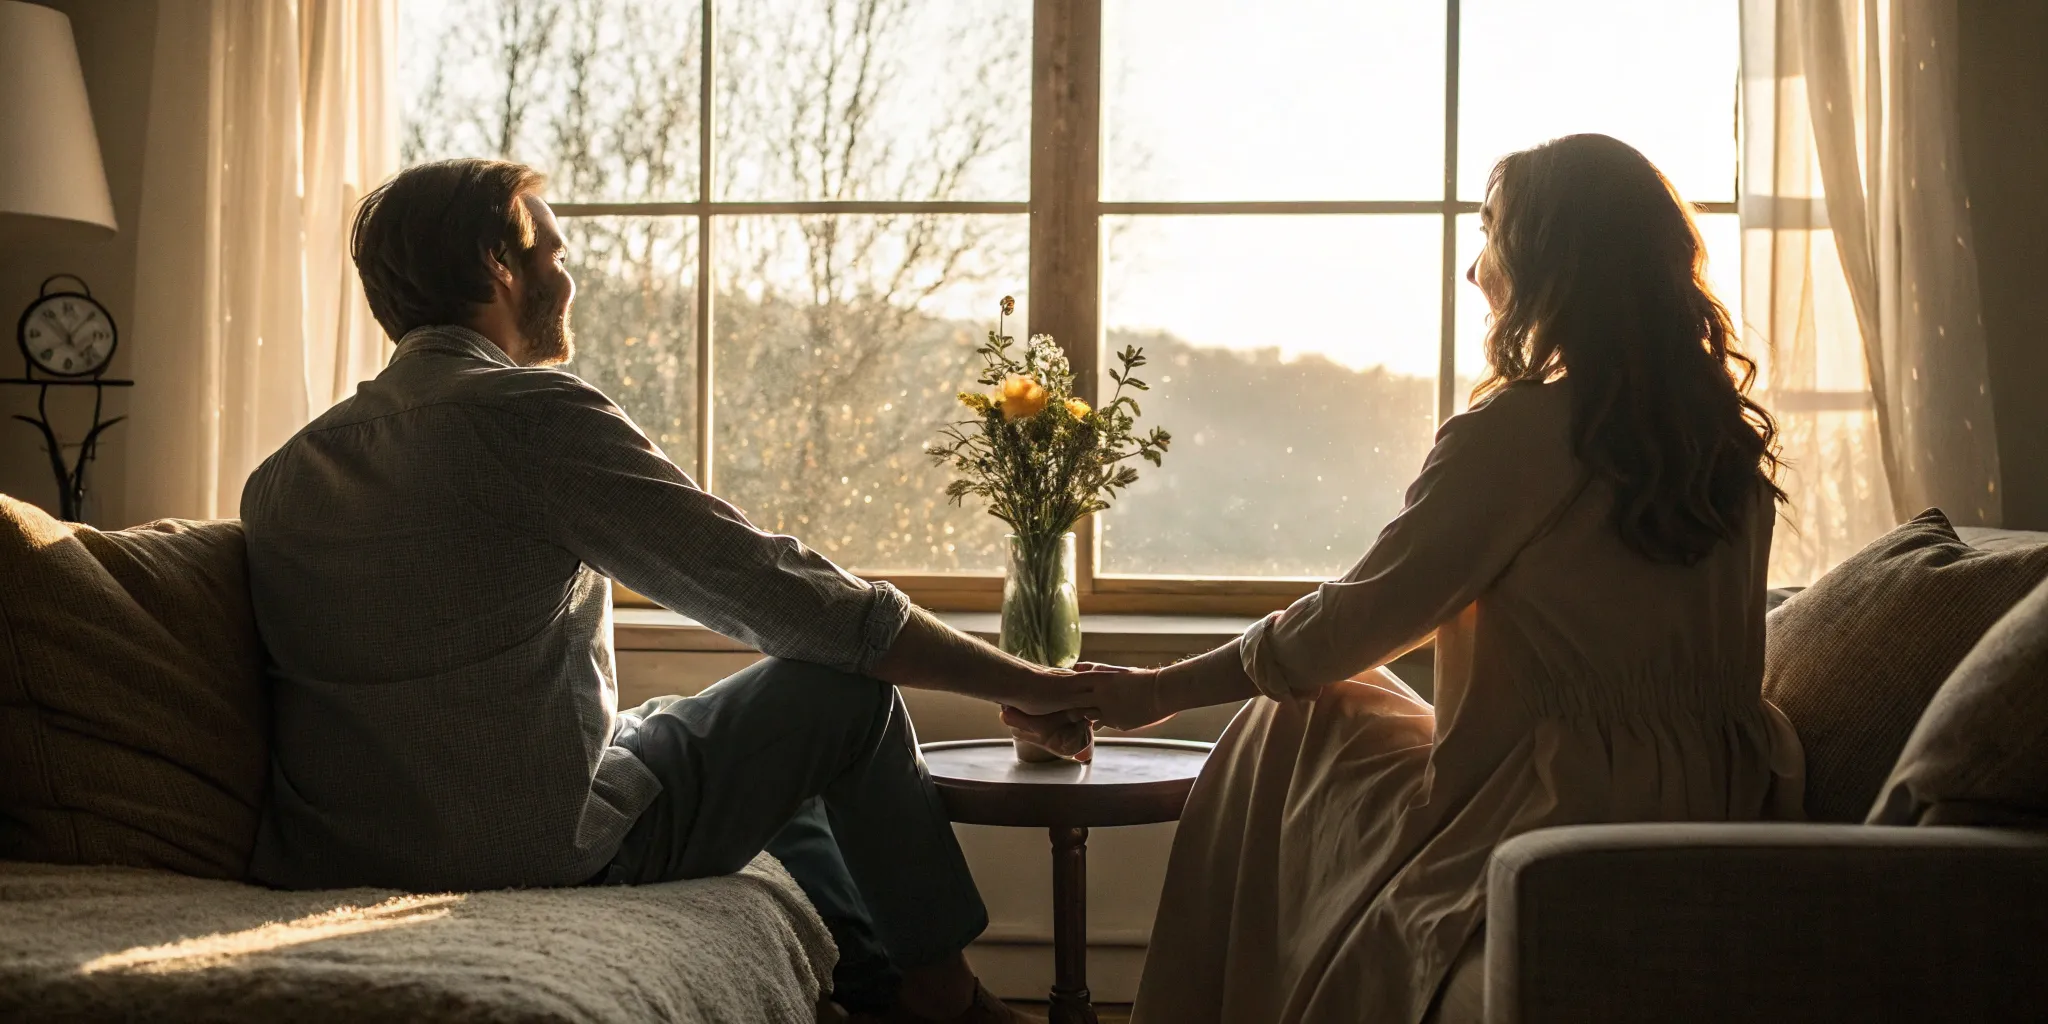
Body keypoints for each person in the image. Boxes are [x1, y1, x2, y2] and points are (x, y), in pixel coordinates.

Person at [241, 158, 1093, 1024]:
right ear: (499, 265)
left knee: (728, 747)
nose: (568, 278)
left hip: (337, 854)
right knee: (837, 694)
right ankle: (944, 1000)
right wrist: (1034, 684)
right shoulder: (530, 416)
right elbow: (787, 598)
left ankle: (867, 991)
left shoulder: (283, 475)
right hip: (533, 850)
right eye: (555, 254)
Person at [1008, 134, 1805, 1023]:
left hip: (1554, 808)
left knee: (1296, 710)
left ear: (1550, 260)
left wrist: (1152, 691)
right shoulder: (1726, 442)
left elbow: (1351, 625)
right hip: (1721, 799)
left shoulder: (1520, 434)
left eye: (1492, 234)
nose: (1474, 270)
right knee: (1340, 696)